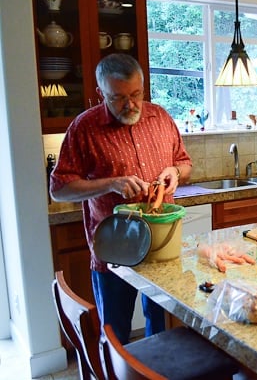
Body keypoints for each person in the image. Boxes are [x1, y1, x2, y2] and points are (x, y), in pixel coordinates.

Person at [50, 53, 192, 344]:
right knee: (115, 333)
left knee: (162, 328)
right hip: (115, 247)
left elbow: (185, 163)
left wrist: (175, 171)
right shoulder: (84, 128)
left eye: (136, 94)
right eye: (118, 98)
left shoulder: (161, 117)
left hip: (160, 245)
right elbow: (59, 188)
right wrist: (110, 184)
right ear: (101, 93)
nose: (130, 104)